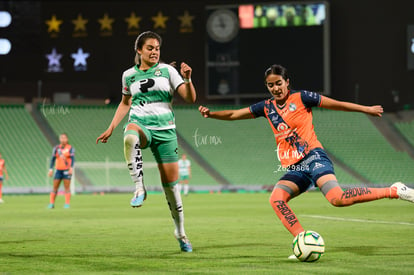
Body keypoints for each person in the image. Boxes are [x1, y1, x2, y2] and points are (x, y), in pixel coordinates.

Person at [198, 64, 414, 256]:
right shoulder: (266, 107)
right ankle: (301, 238)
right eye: (270, 85)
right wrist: (212, 114)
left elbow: (335, 104)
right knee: (276, 199)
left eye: (278, 83)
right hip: (297, 167)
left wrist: (365, 109)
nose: (275, 88)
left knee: (337, 199)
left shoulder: (302, 98)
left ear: (287, 82)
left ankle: (394, 190)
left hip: (314, 157)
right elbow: (236, 114)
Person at [96, 31, 196, 252]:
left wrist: (187, 78)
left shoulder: (168, 71)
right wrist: (111, 127)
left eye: (157, 48)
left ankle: (180, 232)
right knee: (130, 135)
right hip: (141, 124)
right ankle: (139, 187)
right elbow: (125, 103)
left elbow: (190, 98)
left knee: (171, 187)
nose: (154, 51)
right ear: (139, 50)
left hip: (166, 132)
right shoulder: (128, 75)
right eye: (150, 48)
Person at [48, 133, 75, 209]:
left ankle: (67, 204)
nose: (63, 139)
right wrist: (50, 169)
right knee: (55, 188)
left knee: (67, 188)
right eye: (61, 138)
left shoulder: (70, 148)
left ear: (67, 139)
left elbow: (73, 159)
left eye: (64, 138)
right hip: (58, 170)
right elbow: (52, 160)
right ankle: (51, 203)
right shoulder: (56, 148)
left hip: (66, 170)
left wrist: (71, 168)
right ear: (60, 139)